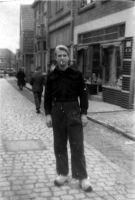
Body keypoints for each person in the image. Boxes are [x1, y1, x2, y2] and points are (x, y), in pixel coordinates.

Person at [44, 45, 92, 192]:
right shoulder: (51, 76)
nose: (62, 58)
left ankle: (82, 177)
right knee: (59, 145)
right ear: (56, 58)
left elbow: (84, 95)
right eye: (59, 56)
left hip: (73, 110)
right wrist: (47, 114)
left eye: (64, 55)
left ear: (68, 57)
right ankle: (63, 174)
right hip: (57, 111)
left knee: (77, 145)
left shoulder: (77, 74)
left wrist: (84, 113)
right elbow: (46, 97)